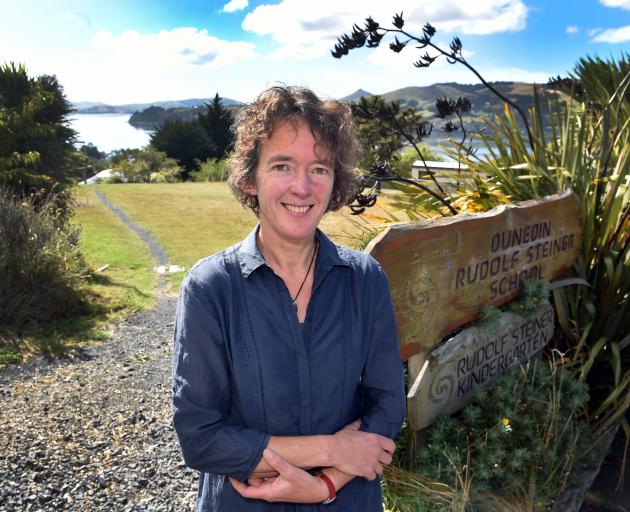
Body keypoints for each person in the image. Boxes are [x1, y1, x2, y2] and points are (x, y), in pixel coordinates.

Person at [172, 85, 406, 511]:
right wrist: (332, 451)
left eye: (319, 168)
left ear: (335, 182)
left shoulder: (365, 279)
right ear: (250, 178)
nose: (302, 187)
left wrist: (326, 485)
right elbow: (201, 437)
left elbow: (387, 404)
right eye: (282, 165)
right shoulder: (209, 288)